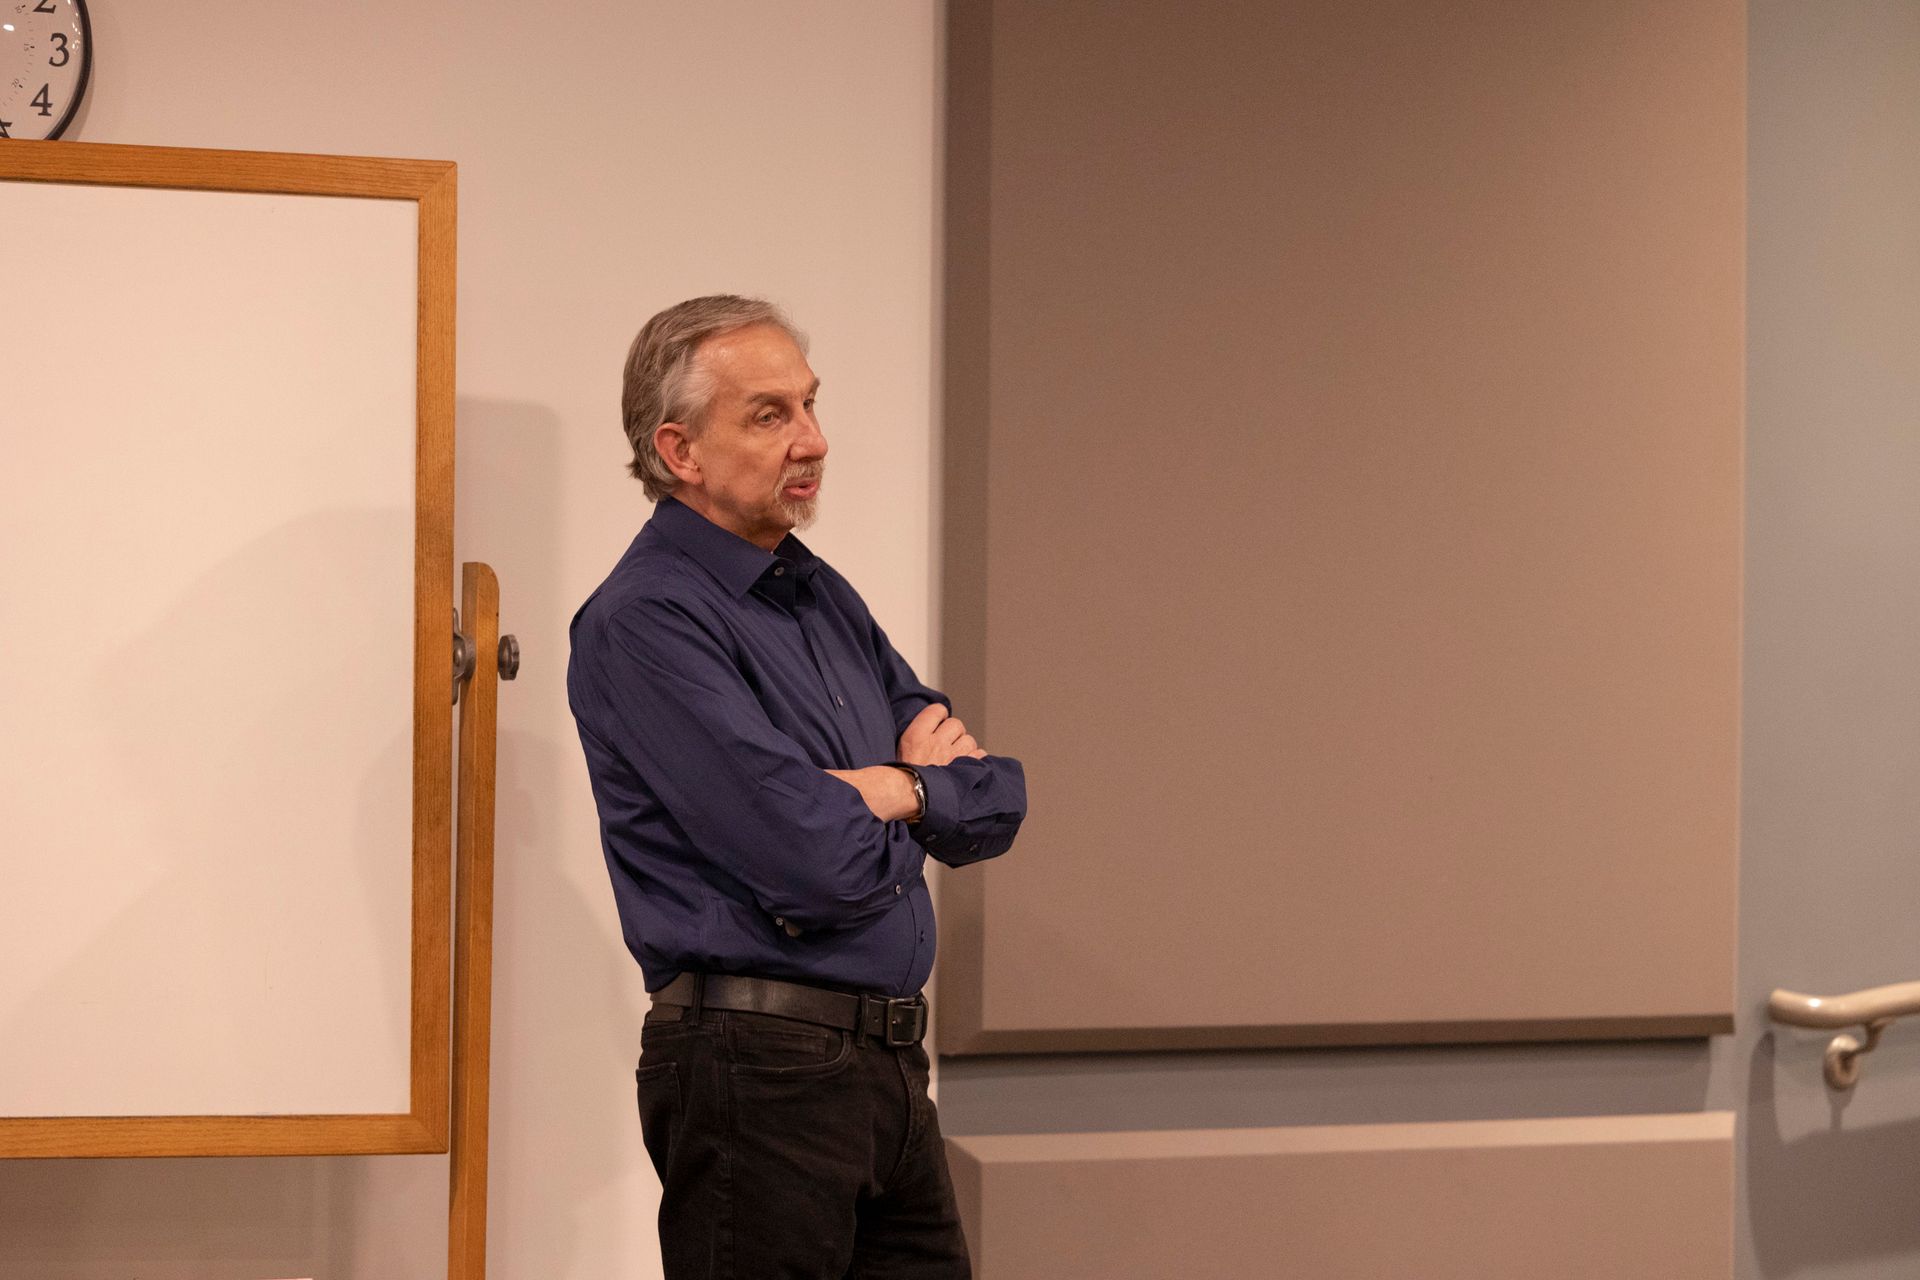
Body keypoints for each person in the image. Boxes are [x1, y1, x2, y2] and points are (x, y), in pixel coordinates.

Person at [567, 294, 1028, 1278]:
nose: (813, 440)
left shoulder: (818, 591)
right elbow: (812, 858)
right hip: (760, 1071)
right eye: (770, 414)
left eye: (811, 405)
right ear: (680, 449)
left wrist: (888, 788)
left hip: (892, 1067)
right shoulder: (644, 622)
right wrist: (914, 789)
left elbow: (992, 798)